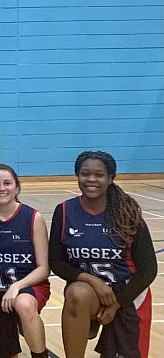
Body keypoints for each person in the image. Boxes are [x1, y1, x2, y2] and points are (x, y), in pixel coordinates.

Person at [49, 151, 157, 358]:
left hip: (127, 294)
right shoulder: (64, 211)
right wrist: (91, 280)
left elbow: (148, 270)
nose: (91, 179)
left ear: (110, 178)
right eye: (85, 174)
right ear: (77, 176)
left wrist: (117, 304)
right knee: (77, 293)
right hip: (89, 293)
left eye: (99, 175)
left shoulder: (127, 212)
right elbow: (56, 261)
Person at [0, 164, 50, 358]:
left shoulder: (33, 218)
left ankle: (40, 355)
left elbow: (43, 268)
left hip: (28, 287)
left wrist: (16, 287)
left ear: (17, 186)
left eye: (7, 183)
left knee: (23, 304)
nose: (2, 188)